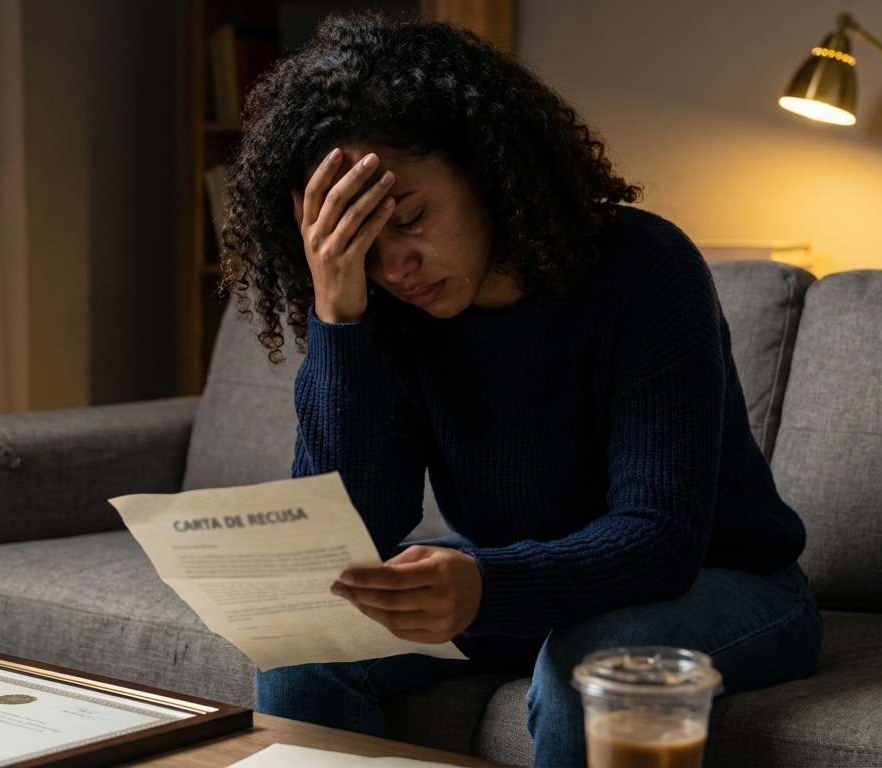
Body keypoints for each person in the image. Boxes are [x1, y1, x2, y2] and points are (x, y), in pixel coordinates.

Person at [218, 14, 821, 766]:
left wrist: (486, 585)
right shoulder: (391, 312)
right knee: (304, 648)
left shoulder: (644, 269)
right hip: (528, 578)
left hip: (725, 581)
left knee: (590, 667)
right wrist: (340, 318)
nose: (397, 266)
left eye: (409, 219)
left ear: (485, 168)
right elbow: (353, 537)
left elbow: (659, 537)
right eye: (363, 251)